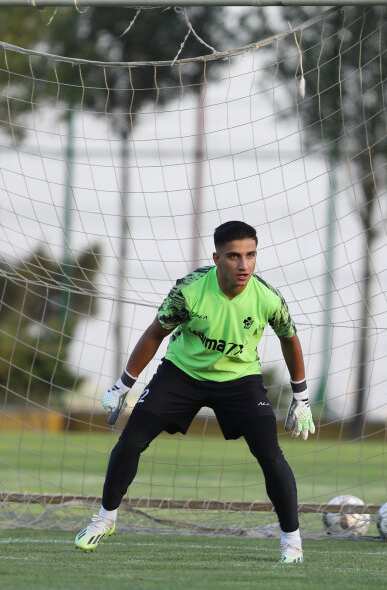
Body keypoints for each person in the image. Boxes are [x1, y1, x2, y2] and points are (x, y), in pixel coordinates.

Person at [75, 220, 316, 563]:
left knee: (270, 455)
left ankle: (292, 543)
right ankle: (105, 519)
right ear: (217, 258)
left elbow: (289, 339)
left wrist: (301, 397)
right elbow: (155, 333)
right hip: (182, 374)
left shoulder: (268, 298)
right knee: (131, 440)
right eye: (233, 256)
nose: (243, 264)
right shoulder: (189, 291)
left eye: (250, 255)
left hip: (240, 380)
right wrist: (123, 385)